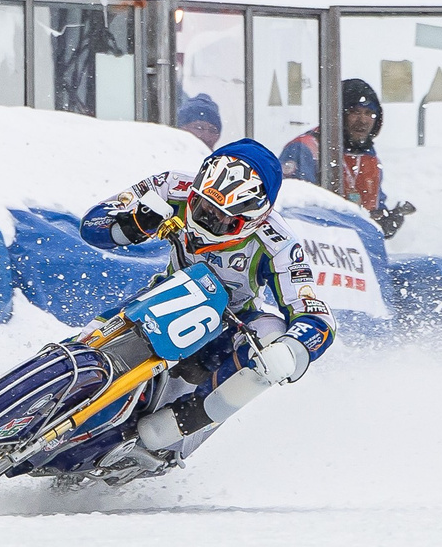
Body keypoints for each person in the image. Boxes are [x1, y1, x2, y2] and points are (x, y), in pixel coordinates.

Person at [74, 141, 336, 479]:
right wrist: (132, 224)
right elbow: (92, 225)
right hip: (160, 296)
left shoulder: (280, 246)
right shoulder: (170, 187)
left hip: (226, 326)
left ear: (253, 221)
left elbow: (317, 316)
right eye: (202, 210)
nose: (207, 225)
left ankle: (179, 424)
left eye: (224, 222)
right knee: (83, 339)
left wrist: (293, 349)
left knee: (271, 336)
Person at [278, 79, 414, 238]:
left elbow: (372, 209)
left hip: (358, 256)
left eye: (369, 113)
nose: (363, 120)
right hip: (316, 251)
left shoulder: (370, 159)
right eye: (355, 112)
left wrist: (383, 222)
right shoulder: (305, 149)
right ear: (338, 115)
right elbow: (290, 209)